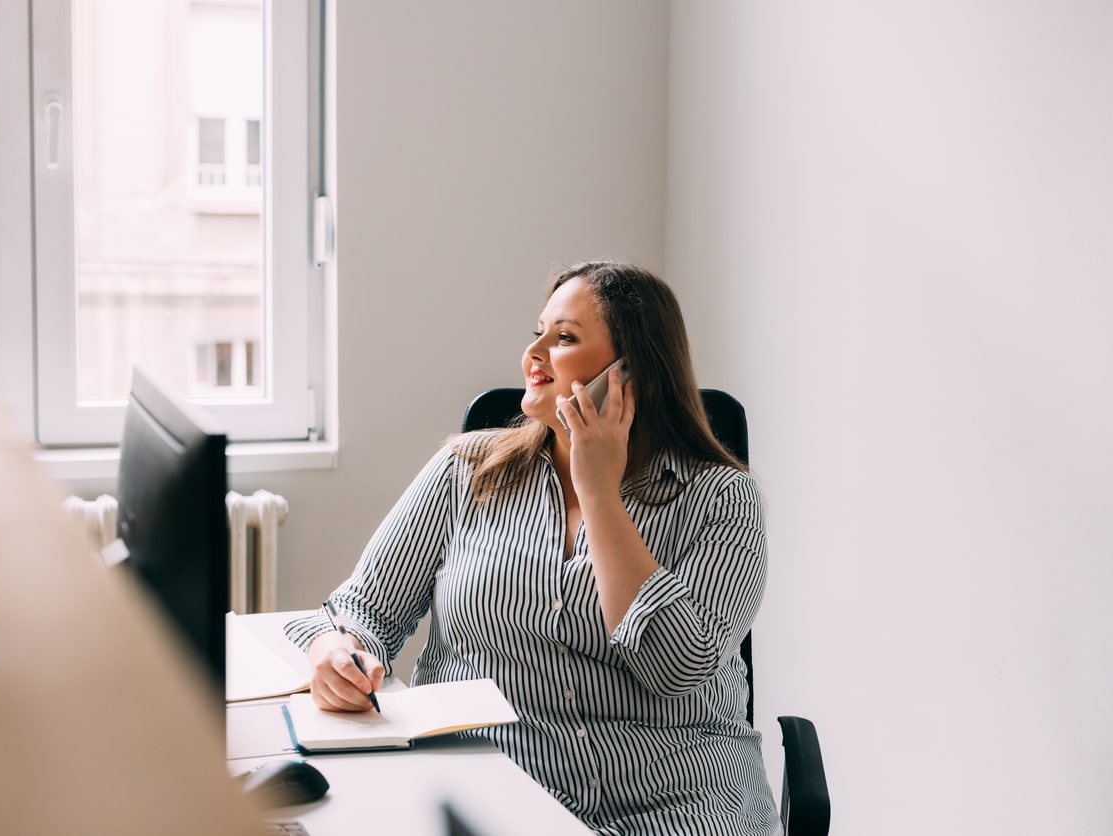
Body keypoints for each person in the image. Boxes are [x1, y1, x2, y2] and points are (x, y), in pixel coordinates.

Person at [285, 261, 781, 835]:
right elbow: (359, 611)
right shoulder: (467, 470)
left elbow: (677, 667)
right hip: (490, 797)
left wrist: (599, 495)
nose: (534, 353)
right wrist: (335, 652)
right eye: (537, 331)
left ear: (631, 375)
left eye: (565, 337)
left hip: (671, 805)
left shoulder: (725, 500)